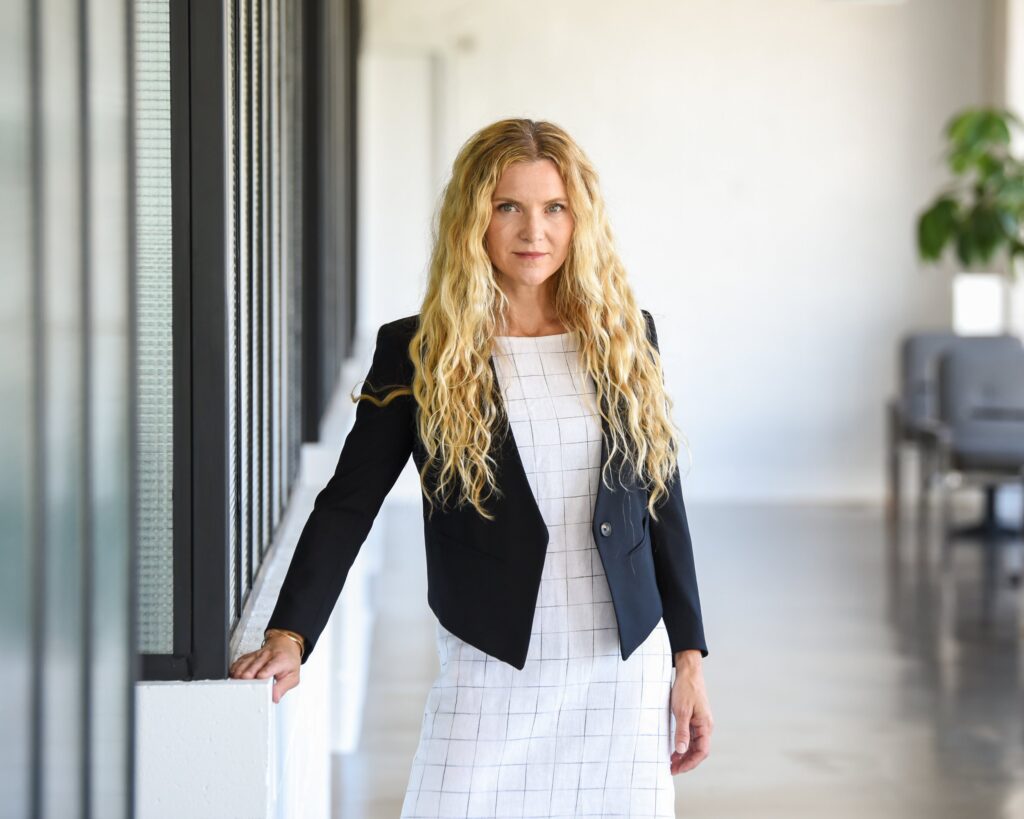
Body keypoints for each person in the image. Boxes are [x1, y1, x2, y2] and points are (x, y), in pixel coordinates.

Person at [230, 117, 713, 817]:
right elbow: (348, 503)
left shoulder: (624, 336)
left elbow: (661, 501)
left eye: (554, 208)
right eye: (507, 206)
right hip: (490, 666)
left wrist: (688, 658)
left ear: (580, 219)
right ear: (474, 218)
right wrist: (290, 633)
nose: (533, 231)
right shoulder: (420, 349)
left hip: (618, 673)